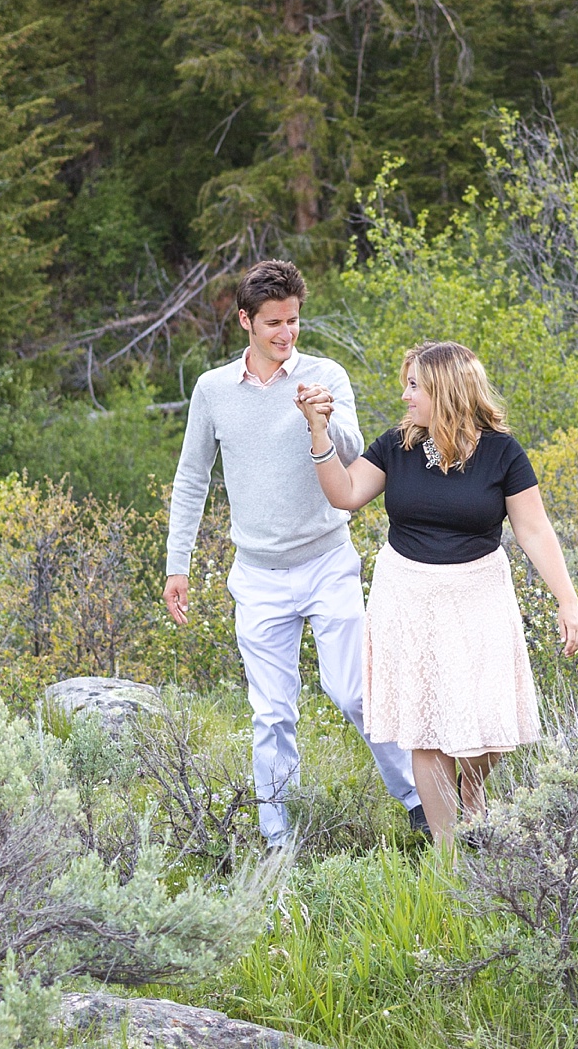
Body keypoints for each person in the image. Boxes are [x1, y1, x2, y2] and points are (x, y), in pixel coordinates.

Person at [163, 260, 425, 847]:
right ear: (246, 323)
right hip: (256, 576)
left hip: (328, 561)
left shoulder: (325, 373)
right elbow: (191, 478)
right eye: (275, 323)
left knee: (354, 691)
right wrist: (177, 564)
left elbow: (363, 456)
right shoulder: (212, 392)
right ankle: (278, 837)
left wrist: (321, 417)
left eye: (295, 322)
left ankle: (417, 800)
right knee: (272, 714)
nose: (287, 335)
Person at [297, 340, 578, 844]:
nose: (405, 396)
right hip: (407, 595)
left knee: (487, 713)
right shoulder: (397, 446)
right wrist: (318, 433)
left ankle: (471, 791)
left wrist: (568, 601)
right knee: (424, 724)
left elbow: (534, 530)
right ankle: (447, 858)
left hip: (479, 593)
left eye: (415, 386)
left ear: (446, 391)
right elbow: (343, 495)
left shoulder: (502, 453)